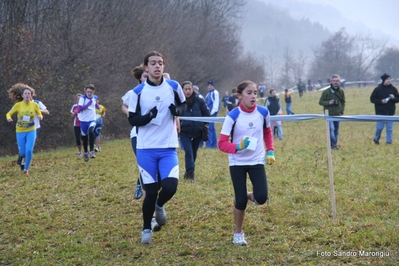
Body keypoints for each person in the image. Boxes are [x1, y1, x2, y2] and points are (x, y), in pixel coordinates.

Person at [127, 51, 186, 244]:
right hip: (146, 149)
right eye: (153, 63)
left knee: (170, 186)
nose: (157, 66)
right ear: (146, 67)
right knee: (150, 192)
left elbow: (183, 106)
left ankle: (160, 206)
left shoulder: (174, 86)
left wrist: (176, 111)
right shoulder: (137, 93)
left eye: (160, 63)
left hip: (168, 147)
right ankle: (146, 229)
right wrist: (148, 117)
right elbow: (133, 120)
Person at [218, 80, 275, 246]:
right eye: (249, 93)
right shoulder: (233, 116)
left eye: (255, 93)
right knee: (240, 201)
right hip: (237, 162)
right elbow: (222, 143)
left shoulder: (263, 112)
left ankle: (250, 195)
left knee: (262, 198)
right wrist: (238, 146)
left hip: (257, 160)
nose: (253, 96)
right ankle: (238, 233)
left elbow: (267, 131)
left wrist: (270, 150)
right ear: (239, 96)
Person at [6, 83, 43, 175]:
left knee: (29, 150)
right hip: (20, 131)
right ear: (22, 96)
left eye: (29, 94)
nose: (27, 95)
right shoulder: (18, 105)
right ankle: (22, 160)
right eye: (25, 94)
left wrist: (40, 116)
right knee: (22, 153)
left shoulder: (35, 105)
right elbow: (8, 113)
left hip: (31, 130)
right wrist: (9, 118)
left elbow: (39, 113)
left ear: (31, 95)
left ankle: (26, 169)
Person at [179, 81, 210, 180]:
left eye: (189, 89)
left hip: (197, 131)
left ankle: (189, 171)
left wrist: (204, 124)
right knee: (188, 151)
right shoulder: (179, 101)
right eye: (186, 89)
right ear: (182, 90)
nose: (188, 91)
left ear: (193, 89)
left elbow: (207, 113)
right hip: (184, 131)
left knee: (193, 152)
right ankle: (191, 173)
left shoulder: (200, 100)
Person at [370, 73, 399, 144]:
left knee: (389, 129)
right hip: (381, 112)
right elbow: (372, 99)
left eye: (390, 79)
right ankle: (376, 139)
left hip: (390, 112)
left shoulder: (393, 89)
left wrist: (393, 98)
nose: (389, 80)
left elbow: (398, 99)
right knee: (379, 128)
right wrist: (380, 101)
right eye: (387, 79)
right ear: (383, 80)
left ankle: (389, 142)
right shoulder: (378, 89)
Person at [318, 74, 345, 149]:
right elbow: (320, 102)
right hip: (329, 114)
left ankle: (333, 145)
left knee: (336, 131)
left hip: (338, 114)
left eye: (337, 81)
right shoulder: (326, 92)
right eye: (334, 81)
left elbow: (343, 102)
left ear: (339, 81)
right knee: (331, 129)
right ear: (331, 81)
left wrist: (341, 111)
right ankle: (334, 144)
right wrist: (328, 102)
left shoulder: (341, 92)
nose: (335, 82)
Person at [75, 84, 99, 161]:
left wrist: (97, 106)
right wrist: (88, 104)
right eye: (88, 92)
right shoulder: (82, 98)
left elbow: (95, 104)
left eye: (91, 92)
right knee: (84, 137)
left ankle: (92, 151)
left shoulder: (94, 97)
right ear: (85, 91)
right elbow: (80, 109)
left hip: (92, 119)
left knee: (91, 131)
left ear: (93, 92)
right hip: (83, 120)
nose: (89, 93)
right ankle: (85, 152)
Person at [205, 79, 219, 148]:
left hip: (212, 114)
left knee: (210, 129)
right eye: (208, 85)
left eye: (211, 85)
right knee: (211, 129)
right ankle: (213, 145)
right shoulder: (208, 94)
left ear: (213, 86)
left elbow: (216, 104)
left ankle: (210, 145)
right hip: (208, 114)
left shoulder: (215, 93)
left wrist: (211, 113)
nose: (209, 87)